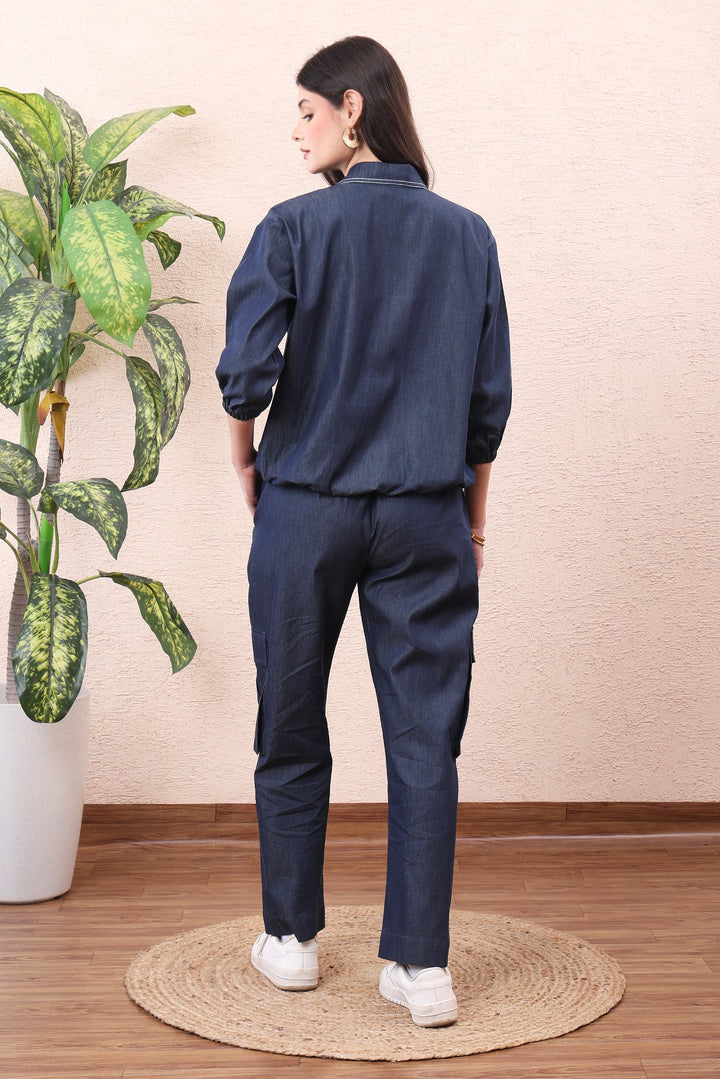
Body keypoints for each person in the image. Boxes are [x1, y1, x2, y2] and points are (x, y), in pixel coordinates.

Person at [216, 35, 511, 1029]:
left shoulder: (292, 227)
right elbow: (484, 406)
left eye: (305, 111)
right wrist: (469, 523)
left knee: (291, 720)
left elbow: (245, 371)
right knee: (426, 735)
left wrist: (246, 458)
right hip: (426, 511)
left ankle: (292, 942)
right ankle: (422, 968)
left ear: (350, 108)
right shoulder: (467, 235)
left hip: (306, 505)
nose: (294, 130)